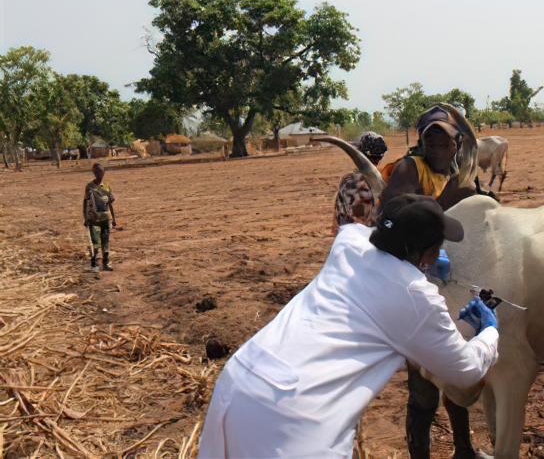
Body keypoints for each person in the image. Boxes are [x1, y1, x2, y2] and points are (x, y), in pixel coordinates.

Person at [198, 194, 500, 458]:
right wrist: (489, 331)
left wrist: (416, 262)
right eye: (436, 247)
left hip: (240, 380)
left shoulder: (349, 242)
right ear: (426, 253)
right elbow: (466, 371)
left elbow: (360, 232)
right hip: (293, 414)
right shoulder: (415, 297)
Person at [378, 105, 483, 459]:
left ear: (457, 144)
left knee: (452, 370)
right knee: (423, 383)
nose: (437, 145)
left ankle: (464, 450)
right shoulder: (410, 168)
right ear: (421, 142)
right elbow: (394, 212)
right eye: (430, 138)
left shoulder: (463, 172)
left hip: (453, 281)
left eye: (445, 139)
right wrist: (450, 197)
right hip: (415, 286)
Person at [332, 131, 388, 234]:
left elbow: (338, 217)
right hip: (366, 239)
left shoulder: (347, 180)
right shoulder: (382, 182)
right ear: (380, 157)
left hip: (346, 236)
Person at [83, 162, 117, 272]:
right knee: (95, 243)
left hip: (106, 218)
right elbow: (85, 202)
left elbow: (110, 203)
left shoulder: (106, 186)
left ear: (104, 172)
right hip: (94, 220)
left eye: (100, 171)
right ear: (93, 172)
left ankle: (105, 263)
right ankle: (94, 265)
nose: (99, 173)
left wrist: (114, 219)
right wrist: (86, 218)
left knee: (105, 242)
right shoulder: (89, 187)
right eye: (96, 171)